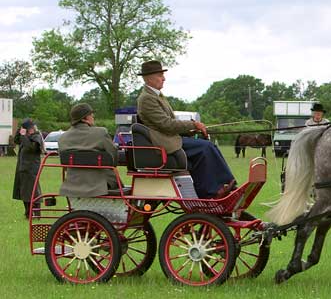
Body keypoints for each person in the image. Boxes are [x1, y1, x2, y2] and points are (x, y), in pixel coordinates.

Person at [136, 60, 235, 199]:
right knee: (206, 147)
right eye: (160, 75)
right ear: (149, 78)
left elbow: (170, 123)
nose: (164, 78)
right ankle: (220, 186)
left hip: (171, 137)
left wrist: (192, 131)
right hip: (164, 142)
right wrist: (193, 125)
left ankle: (216, 188)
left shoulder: (157, 96)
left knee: (207, 145)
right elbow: (166, 124)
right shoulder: (147, 98)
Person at [58, 103, 119, 197]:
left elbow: (65, 165)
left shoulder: (63, 137)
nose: (93, 116)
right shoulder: (100, 133)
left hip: (72, 184)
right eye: (91, 114)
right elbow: (113, 158)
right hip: (100, 185)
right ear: (84, 118)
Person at [12, 118, 44, 218]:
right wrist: (19, 131)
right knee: (23, 192)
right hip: (22, 168)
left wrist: (23, 136)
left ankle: (37, 214)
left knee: (34, 192)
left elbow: (31, 148)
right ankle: (28, 213)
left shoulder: (36, 136)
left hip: (31, 168)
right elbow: (16, 140)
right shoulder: (25, 137)